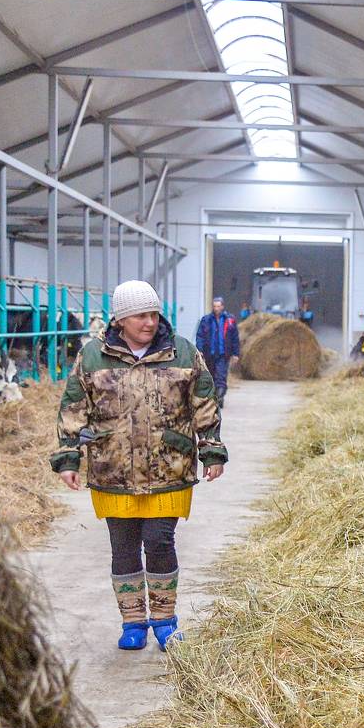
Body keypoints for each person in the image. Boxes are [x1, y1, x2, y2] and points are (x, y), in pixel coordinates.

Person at [51, 279, 227, 652]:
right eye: (140, 315)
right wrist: (68, 457)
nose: (149, 322)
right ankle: (133, 622)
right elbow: (73, 407)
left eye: (153, 314)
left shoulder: (182, 352)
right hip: (112, 469)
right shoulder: (93, 356)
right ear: (120, 319)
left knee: (159, 541)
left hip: (169, 468)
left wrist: (211, 450)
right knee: (124, 547)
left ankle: (164, 620)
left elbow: (204, 402)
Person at [196, 296, 240, 403]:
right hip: (209, 354)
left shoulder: (229, 320)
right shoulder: (206, 320)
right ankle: (214, 398)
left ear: (222, 307)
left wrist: (236, 354)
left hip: (223, 355)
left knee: (221, 377)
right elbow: (200, 336)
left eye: (218, 306)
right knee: (210, 377)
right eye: (214, 306)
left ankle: (219, 398)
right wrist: (199, 350)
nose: (216, 308)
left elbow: (235, 338)